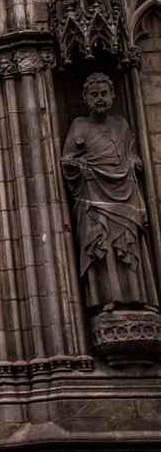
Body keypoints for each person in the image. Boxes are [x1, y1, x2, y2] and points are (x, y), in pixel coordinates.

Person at [61, 72, 158, 311]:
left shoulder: (121, 125)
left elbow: (131, 153)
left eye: (104, 93)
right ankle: (108, 298)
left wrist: (135, 163)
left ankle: (139, 297)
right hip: (94, 195)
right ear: (85, 97)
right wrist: (79, 166)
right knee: (102, 244)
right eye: (94, 94)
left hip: (124, 193)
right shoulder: (80, 126)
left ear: (113, 95)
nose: (100, 98)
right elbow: (67, 160)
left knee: (129, 244)